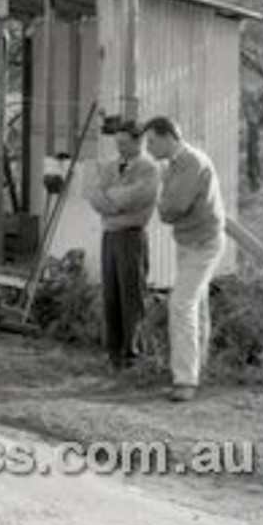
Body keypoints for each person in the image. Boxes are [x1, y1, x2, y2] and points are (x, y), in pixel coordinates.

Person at [142, 116, 226, 402]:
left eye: (151, 141)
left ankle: (185, 381)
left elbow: (171, 208)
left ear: (168, 138)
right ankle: (198, 370)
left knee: (181, 304)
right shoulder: (173, 165)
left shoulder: (191, 162)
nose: (148, 148)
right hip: (189, 241)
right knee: (195, 307)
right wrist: (165, 204)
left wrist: (164, 204)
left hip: (204, 243)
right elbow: (169, 206)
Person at [84, 119, 160, 370]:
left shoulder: (149, 168)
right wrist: (114, 202)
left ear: (139, 141)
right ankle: (113, 352)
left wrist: (111, 199)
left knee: (131, 294)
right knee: (111, 293)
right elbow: (93, 195)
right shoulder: (109, 166)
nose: (120, 148)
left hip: (131, 235)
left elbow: (136, 197)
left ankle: (132, 352)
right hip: (109, 236)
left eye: (125, 143)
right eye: (117, 143)